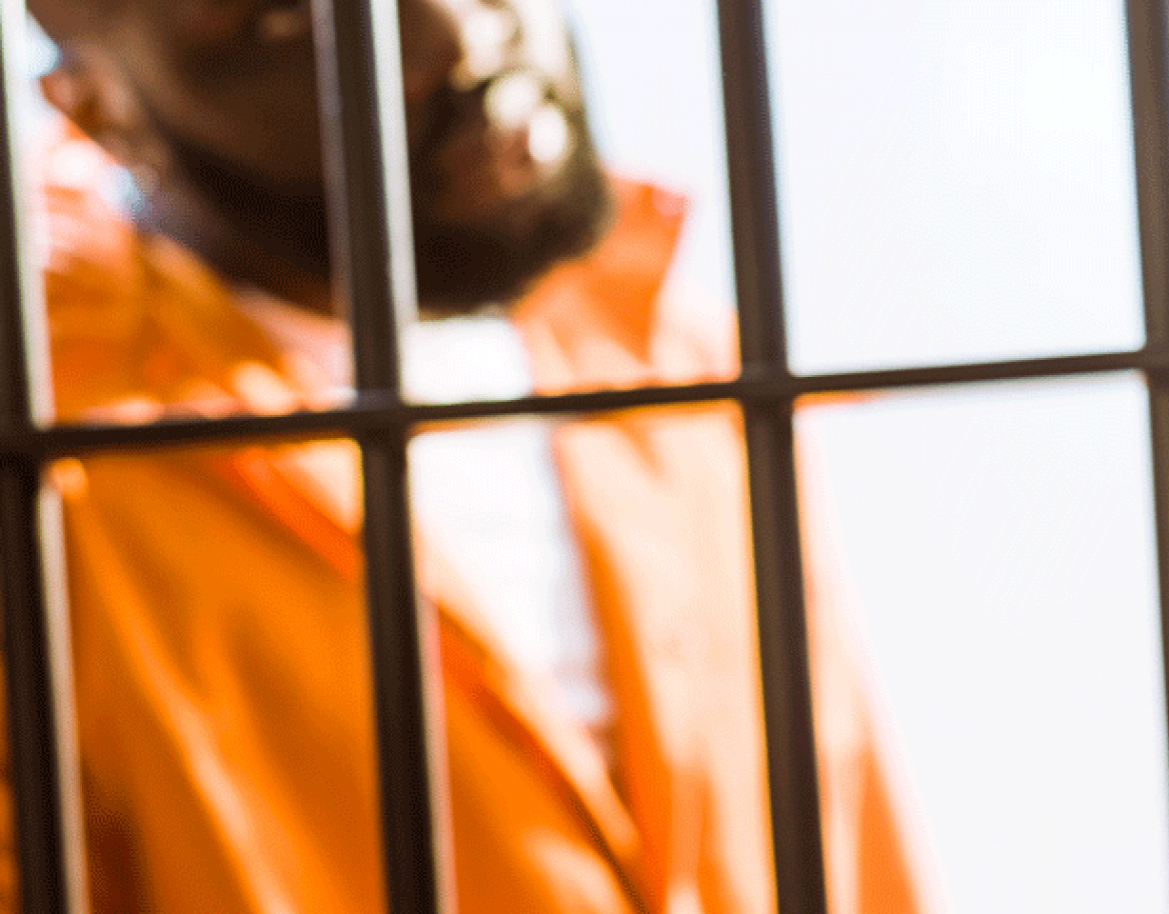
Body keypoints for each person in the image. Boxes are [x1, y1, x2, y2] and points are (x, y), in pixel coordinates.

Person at [18, 0, 928, 912]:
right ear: (98, 107)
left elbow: (849, 839)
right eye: (292, 18)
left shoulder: (661, 338)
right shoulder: (55, 460)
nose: (458, 37)